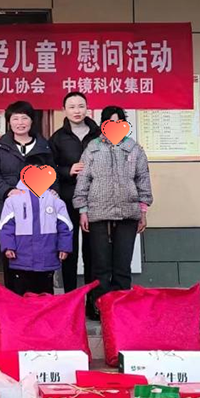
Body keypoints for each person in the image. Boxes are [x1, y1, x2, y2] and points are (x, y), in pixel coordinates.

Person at [72, 105, 153, 319]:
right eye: (110, 122)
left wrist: (143, 210)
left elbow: (143, 179)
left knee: (122, 265)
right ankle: (100, 307)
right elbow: (83, 180)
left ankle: (121, 310)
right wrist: (82, 210)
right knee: (100, 265)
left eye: (119, 122)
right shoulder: (93, 148)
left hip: (128, 212)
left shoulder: (134, 148)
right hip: (97, 213)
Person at [0, 100, 56, 287]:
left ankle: (38, 301)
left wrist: (52, 192)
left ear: (32, 121)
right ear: (9, 122)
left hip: (39, 214)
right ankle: (14, 301)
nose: (20, 123)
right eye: (15, 118)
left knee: (39, 261)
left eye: (24, 118)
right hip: (8, 212)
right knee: (11, 261)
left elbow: (52, 175)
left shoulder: (44, 146)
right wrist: (7, 191)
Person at [49, 91, 101, 300]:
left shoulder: (99, 135)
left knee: (93, 252)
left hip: (95, 200)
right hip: (67, 200)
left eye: (81, 106)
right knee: (68, 250)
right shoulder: (57, 138)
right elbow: (49, 169)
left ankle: (93, 301)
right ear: (64, 110)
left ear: (87, 108)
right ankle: (71, 300)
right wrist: (67, 170)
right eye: (72, 107)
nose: (77, 111)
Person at [0, 153, 73, 295]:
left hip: (47, 256)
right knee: (22, 295)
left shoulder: (54, 199)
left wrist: (64, 247)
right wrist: (8, 246)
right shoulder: (14, 199)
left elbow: (65, 226)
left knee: (45, 295)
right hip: (22, 256)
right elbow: (5, 226)